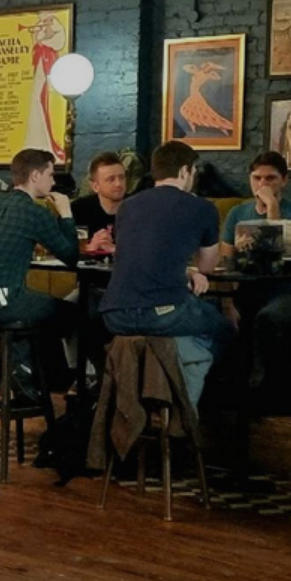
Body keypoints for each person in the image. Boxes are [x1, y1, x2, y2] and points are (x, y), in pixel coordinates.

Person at [98, 141, 232, 406]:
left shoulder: (127, 207)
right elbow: (207, 266)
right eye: (193, 171)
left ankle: (149, 394)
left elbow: (143, 255)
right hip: (163, 313)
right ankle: (190, 407)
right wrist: (194, 270)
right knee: (223, 329)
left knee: (190, 325)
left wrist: (185, 271)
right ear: (184, 171)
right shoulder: (202, 208)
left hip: (114, 314)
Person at [222, 151, 291, 379]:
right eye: (257, 178)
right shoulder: (237, 213)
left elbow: (278, 260)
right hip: (248, 291)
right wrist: (227, 304)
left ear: (284, 180)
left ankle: (262, 386)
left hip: (290, 293)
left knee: (267, 317)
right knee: (216, 313)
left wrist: (272, 206)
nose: (262, 184)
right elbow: (226, 263)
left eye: (270, 178)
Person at [0, 148, 80, 327]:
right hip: (1, 303)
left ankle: (23, 345)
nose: (53, 181)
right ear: (35, 176)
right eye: (50, 175)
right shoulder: (34, 212)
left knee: (45, 305)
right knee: (74, 313)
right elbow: (71, 257)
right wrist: (66, 213)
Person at [71, 152, 127, 249]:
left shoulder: (138, 208)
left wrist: (115, 249)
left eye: (121, 177)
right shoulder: (78, 209)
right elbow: (66, 250)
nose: (118, 184)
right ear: (95, 186)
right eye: (111, 179)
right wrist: (90, 247)